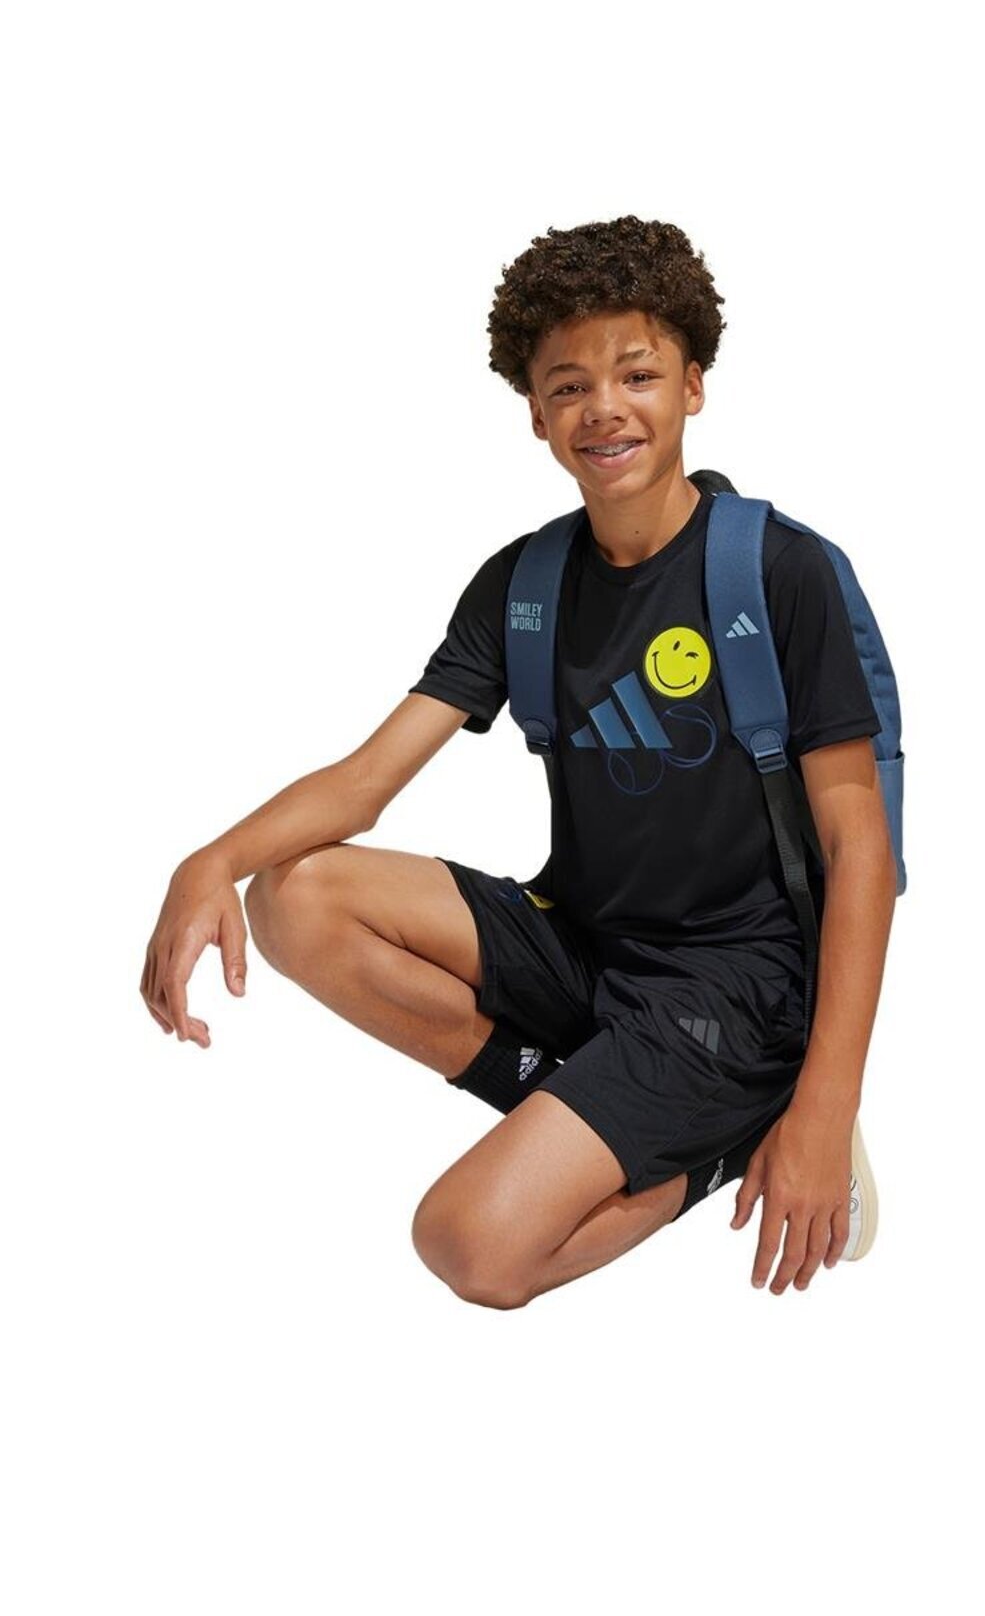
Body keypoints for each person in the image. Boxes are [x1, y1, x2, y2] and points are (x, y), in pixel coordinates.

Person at [141, 214, 897, 1310]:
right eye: (568, 385)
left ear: (694, 385)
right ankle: (577, 1091)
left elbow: (859, 846)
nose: (605, 408)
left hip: (737, 986)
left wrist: (826, 1107)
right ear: (537, 414)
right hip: (589, 947)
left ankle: (729, 1140)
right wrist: (205, 861)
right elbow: (364, 782)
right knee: (294, 895)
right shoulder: (527, 583)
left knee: (470, 1247)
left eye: (638, 373)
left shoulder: (777, 571)